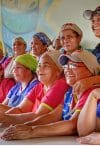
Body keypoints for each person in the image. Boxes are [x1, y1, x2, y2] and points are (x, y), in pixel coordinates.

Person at [0, 48, 100, 140]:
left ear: (90, 70)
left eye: (73, 65)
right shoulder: (70, 92)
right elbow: (53, 115)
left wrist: (32, 131)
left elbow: (73, 125)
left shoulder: (91, 90)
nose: (67, 69)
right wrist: (28, 126)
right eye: (66, 66)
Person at [0, 50, 68, 125]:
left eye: (45, 65)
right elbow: (20, 109)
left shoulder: (61, 84)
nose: (39, 70)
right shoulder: (40, 86)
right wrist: (4, 118)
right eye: (39, 65)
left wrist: (5, 118)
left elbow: (39, 115)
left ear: (58, 71)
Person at [72, 6, 100, 95]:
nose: (94, 24)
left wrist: (90, 81)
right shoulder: (97, 49)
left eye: (99, 19)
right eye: (93, 21)